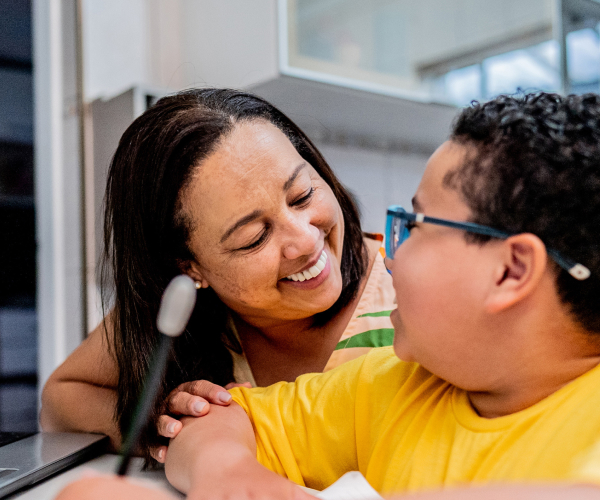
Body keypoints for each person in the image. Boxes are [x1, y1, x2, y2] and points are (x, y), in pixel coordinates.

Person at [52, 93, 600, 500]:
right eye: (251, 237)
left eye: (414, 226)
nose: (385, 255)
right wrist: (228, 475)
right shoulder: (394, 390)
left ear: (511, 270)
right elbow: (222, 419)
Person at [40, 89, 396, 460]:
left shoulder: (404, 283)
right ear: (189, 266)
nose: (306, 241)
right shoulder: (180, 312)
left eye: (302, 195)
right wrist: (162, 423)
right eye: (254, 238)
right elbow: (60, 399)